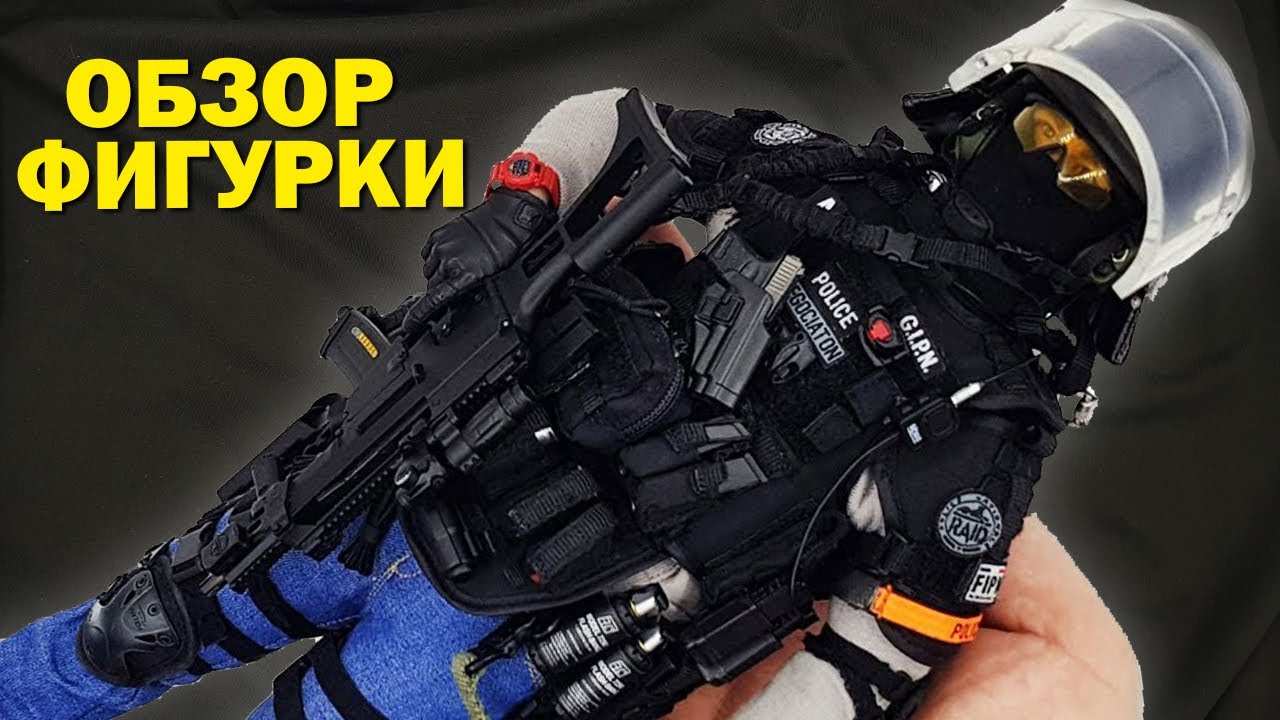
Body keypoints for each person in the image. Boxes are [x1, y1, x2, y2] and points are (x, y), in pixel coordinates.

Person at [0, 1, 1251, 718]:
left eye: (1086, 182)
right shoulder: (819, 174)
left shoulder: (983, 427)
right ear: (997, 96)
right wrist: (516, 203)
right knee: (119, 635)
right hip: (399, 461)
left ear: (1122, 244)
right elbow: (614, 121)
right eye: (1043, 132)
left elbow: (874, 657)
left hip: (521, 624)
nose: (1046, 172)